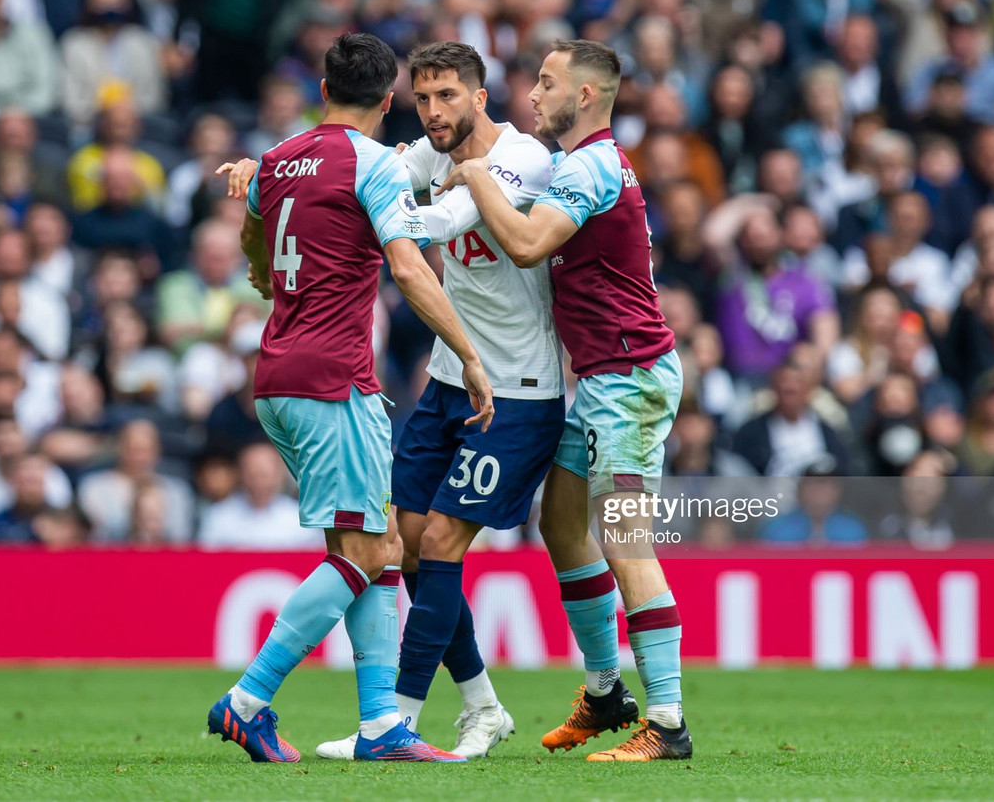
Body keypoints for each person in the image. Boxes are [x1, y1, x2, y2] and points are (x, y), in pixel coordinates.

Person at [243, 41, 555, 760]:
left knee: (414, 543)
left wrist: (267, 193)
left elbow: (424, 230)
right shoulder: (398, 159)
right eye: (424, 98)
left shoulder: (529, 163)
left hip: (513, 386)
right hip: (419, 377)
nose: (435, 111)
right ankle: (348, 713)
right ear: (393, 101)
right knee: (390, 548)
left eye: (449, 96)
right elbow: (394, 231)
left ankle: (401, 715)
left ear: (481, 96)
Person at [438, 40, 691, 762]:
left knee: (626, 540)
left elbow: (522, 243)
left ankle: (669, 724)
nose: (532, 95)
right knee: (562, 520)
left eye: (545, 83)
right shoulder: (594, 163)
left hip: (630, 379)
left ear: (584, 95)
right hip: (604, 378)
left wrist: (475, 174)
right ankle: (607, 691)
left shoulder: (589, 165)